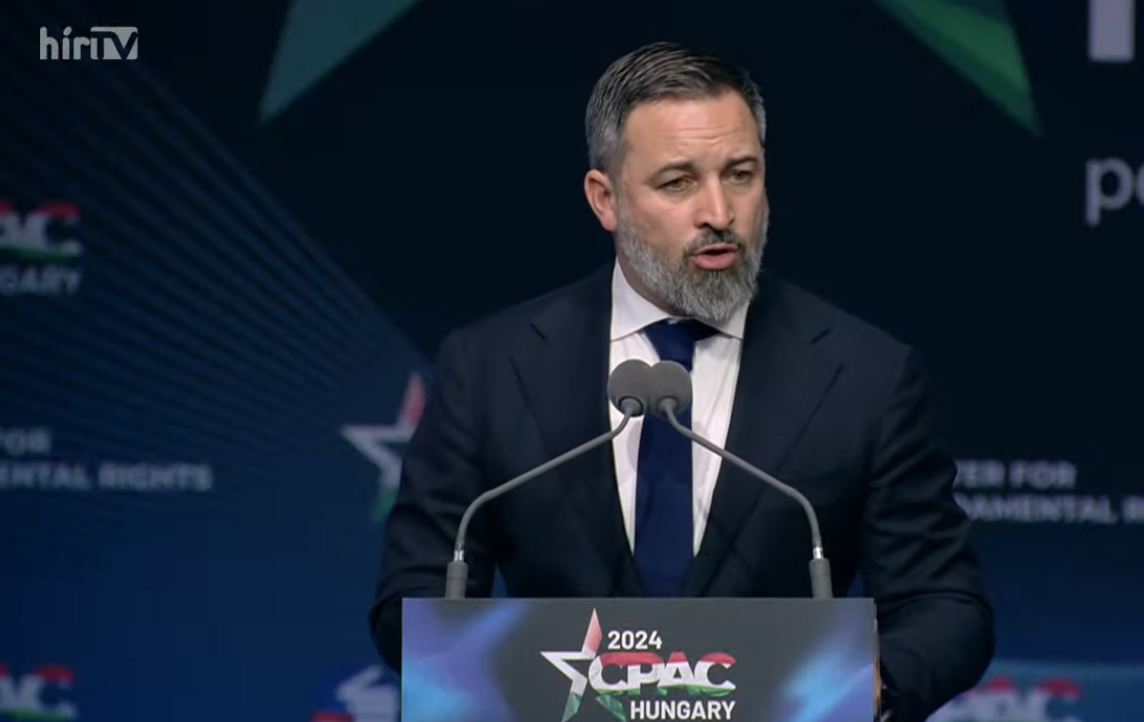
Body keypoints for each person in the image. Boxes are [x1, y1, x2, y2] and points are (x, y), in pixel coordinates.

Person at [370, 41, 993, 722]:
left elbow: (944, 605)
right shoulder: (490, 367)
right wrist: (496, 676)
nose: (719, 212)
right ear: (605, 199)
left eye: (741, 174)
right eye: (678, 183)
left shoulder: (866, 375)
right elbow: (415, 594)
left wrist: (868, 685)